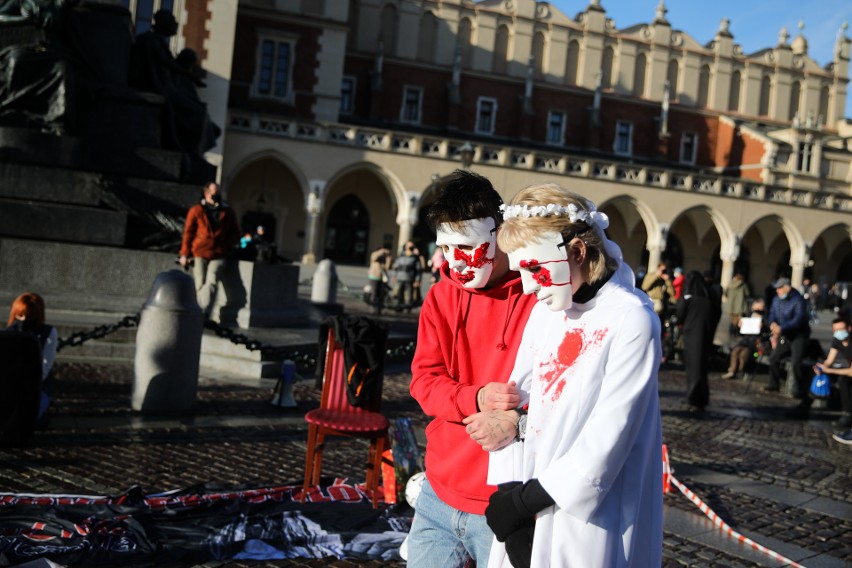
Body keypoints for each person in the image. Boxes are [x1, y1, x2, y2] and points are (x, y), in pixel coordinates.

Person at [472, 183, 662, 568]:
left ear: (577, 251)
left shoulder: (633, 320)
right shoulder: (547, 310)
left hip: (589, 517)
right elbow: (516, 402)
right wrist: (510, 496)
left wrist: (527, 502)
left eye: (536, 269)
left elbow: (610, 435)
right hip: (527, 501)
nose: (528, 288)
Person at [408, 170, 536, 568]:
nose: (455, 261)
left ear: (498, 235)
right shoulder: (441, 296)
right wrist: (475, 398)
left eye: (466, 246)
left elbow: (565, 393)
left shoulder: (537, 298)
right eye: (446, 248)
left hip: (505, 499)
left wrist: (517, 420)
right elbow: (423, 381)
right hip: (438, 492)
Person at [179, 181, 241, 313]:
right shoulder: (196, 210)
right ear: (206, 193)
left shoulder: (227, 211)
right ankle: (197, 311)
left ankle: (203, 313)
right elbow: (188, 233)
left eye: (218, 191)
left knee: (212, 281)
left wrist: (226, 245)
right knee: (199, 283)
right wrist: (184, 253)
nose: (217, 193)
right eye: (214, 191)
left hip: (219, 253)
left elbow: (236, 233)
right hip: (200, 251)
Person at [5, 293, 57, 421]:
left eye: (28, 316)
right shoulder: (10, 331)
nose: (23, 320)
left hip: (37, 387)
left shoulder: (47, 333)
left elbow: (45, 367)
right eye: (20, 315)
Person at [766, 277, 812, 418]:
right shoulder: (776, 299)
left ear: (787, 287)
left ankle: (799, 389)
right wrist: (772, 323)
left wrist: (782, 328)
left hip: (798, 335)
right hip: (785, 335)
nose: (777, 290)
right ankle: (773, 384)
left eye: (780, 288)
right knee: (774, 357)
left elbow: (798, 319)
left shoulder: (798, 300)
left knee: (796, 361)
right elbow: (772, 313)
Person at [676, 271, 717, 412]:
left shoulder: (689, 297)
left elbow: (679, 315)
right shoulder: (708, 297)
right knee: (701, 368)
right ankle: (701, 397)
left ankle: (694, 398)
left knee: (693, 369)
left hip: (691, 336)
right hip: (705, 336)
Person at [814, 317, 852, 430]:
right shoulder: (837, 340)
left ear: (849, 328)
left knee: (843, 380)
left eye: (842, 329)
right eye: (836, 330)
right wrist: (821, 367)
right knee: (820, 373)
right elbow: (829, 361)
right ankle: (807, 403)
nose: (839, 332)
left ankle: (848, 414)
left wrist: (830, 370)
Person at [722, 298, 768, 380]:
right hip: (745, 340)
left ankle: (740, 370)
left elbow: (767, 332)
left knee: (743, 354)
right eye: (756, 308)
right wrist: (738, 326)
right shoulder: (747, 316)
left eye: (760, 308)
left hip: (755, 342)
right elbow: (737, 332)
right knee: (735, 351)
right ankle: (732, 371)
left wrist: (762, 327)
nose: (758, 310)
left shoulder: (765, 319)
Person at [392, 241, 420, 312]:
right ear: (405, 247)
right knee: (399, 294)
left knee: (409, 295)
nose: (410, 247)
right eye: (409, 246)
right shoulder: (401, 255)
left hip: (409, 278)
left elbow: (418, 270)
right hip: (400, 278)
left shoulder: (415, 257)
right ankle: (398, 308)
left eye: (412, 246)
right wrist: (394, 276)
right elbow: (396, 267)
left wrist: (417, 280)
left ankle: (408, 309)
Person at [724, 272, 751, 340]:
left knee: (732, 322)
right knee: (739, 322)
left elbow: (725, 293)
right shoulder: (743, 285)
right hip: (740, 307)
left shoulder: (729, 284)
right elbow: (747, 294)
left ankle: (731, 334)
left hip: (731, 307)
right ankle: (737, 334)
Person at [366, 245, 391, 314]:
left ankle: (379, 308)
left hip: (382, 278)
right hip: (374, 277)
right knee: (374, 293)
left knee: (381, 294)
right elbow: (374, 257)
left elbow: (387, 267)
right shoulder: (374, 255)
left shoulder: (384, 258)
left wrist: (388, 257)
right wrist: (382, 251)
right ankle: (373, 308)